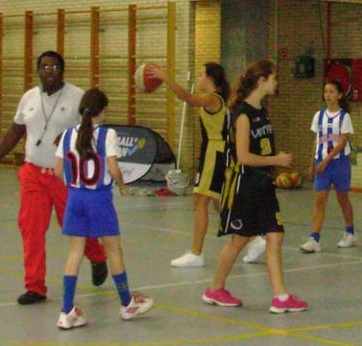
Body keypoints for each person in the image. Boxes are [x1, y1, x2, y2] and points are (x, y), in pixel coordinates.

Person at [0, 51, 109, 305]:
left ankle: (97, 256)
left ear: (62, 70)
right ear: (37, 70)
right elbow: (15, 131)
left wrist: (71, 136)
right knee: (31, 228)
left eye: (54, 66)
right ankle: (35, 286)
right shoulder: (28, 97)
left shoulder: (76, 97)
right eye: (44, 66)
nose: (48, 70)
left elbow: (93, 127)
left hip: (63, 176)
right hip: (33, 173)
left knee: (72, 226)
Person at [202, 60, 307, 313]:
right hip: (246, 185)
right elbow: (243, 156)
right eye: (274, 78)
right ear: (262, 81)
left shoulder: (261, 111)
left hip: (263, 184)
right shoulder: (243, 115)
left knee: (275, 235)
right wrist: (277, 160)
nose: (277, 82)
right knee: (240, 240)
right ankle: (215, 289)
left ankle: (280, 297)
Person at [54, 88, 153, 329]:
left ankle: (66, 311)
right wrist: (122, 186)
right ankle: (127, 302)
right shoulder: (107, 134)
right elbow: (113, 167)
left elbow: (57, 171)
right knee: (113, 249)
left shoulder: (67, 135)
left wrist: (74, 187)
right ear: (103, 110)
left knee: (75, 252)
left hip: (75, 198)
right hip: (98, 198)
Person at [151, 63, 231, 269]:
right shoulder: (217, 98)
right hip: (213, 150)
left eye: (200, 74)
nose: (198, 77)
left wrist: (166, 78)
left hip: (216, 151)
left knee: (200, 200)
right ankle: (253, 237)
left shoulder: (213, 98)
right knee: (217, 202)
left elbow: (188, 98)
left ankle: (196, 253)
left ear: (210, 78)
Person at [301, 79, 356, 252]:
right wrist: (312, 163)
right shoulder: (318, 116)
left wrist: (326, 161)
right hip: (321, 162)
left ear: (339, 95)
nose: (328, 95)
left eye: (332, 91)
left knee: (342, 198)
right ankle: (314, 238)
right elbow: (315, 140)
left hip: (339, 163)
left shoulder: (344, 116)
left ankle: (350, 232)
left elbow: (342, 142)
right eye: (326, 91)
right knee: (320, 200)